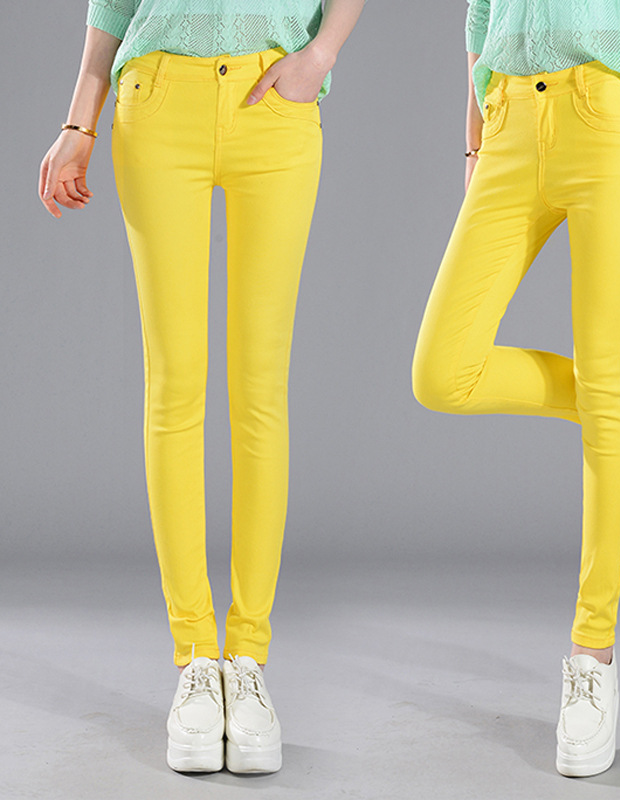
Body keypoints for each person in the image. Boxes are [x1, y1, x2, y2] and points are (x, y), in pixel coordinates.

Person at [412, 0, 620, 778]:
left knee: (600, 377)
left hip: (608, 109)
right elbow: (480, 13)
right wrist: (474, 139)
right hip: (507, 122)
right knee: (442, 372)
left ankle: (593, 658)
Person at [39, 0, 365, 775]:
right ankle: (194, 658)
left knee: (261, 391)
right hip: (158, 104)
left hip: (273, 102)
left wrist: (322, 54)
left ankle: (247, 660)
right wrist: (80, 121)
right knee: (174, 388)